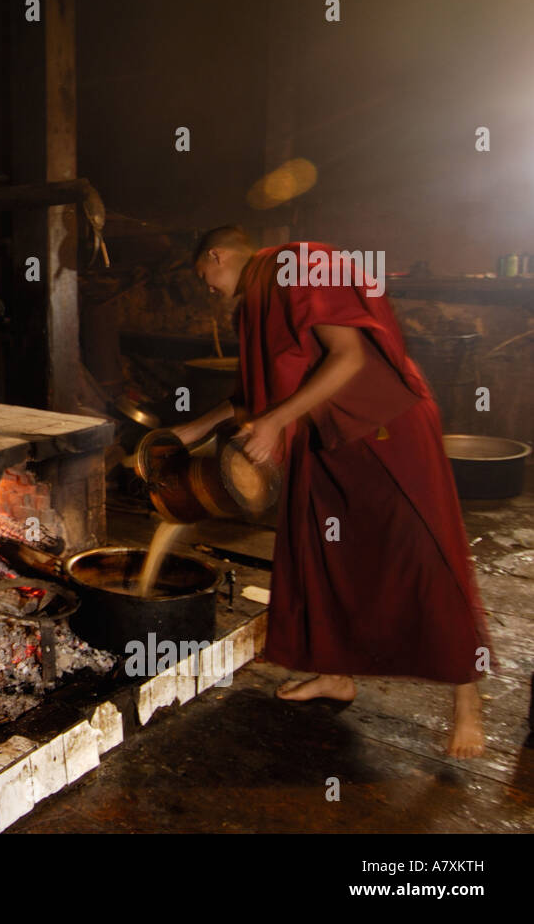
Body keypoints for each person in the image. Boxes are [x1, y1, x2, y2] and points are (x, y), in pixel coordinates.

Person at [171, 225, 490, 758]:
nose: (208, 288)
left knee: (421, 553)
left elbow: (351, 359)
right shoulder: (258, 303)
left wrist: (274, 426)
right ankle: (337, 674)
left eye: (204, 276)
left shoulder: (299, 264)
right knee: (319, 551)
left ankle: (467, 701)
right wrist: (193, 430)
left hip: (383, 426)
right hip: (326, 433)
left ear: (218, 255)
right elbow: (257, 396)